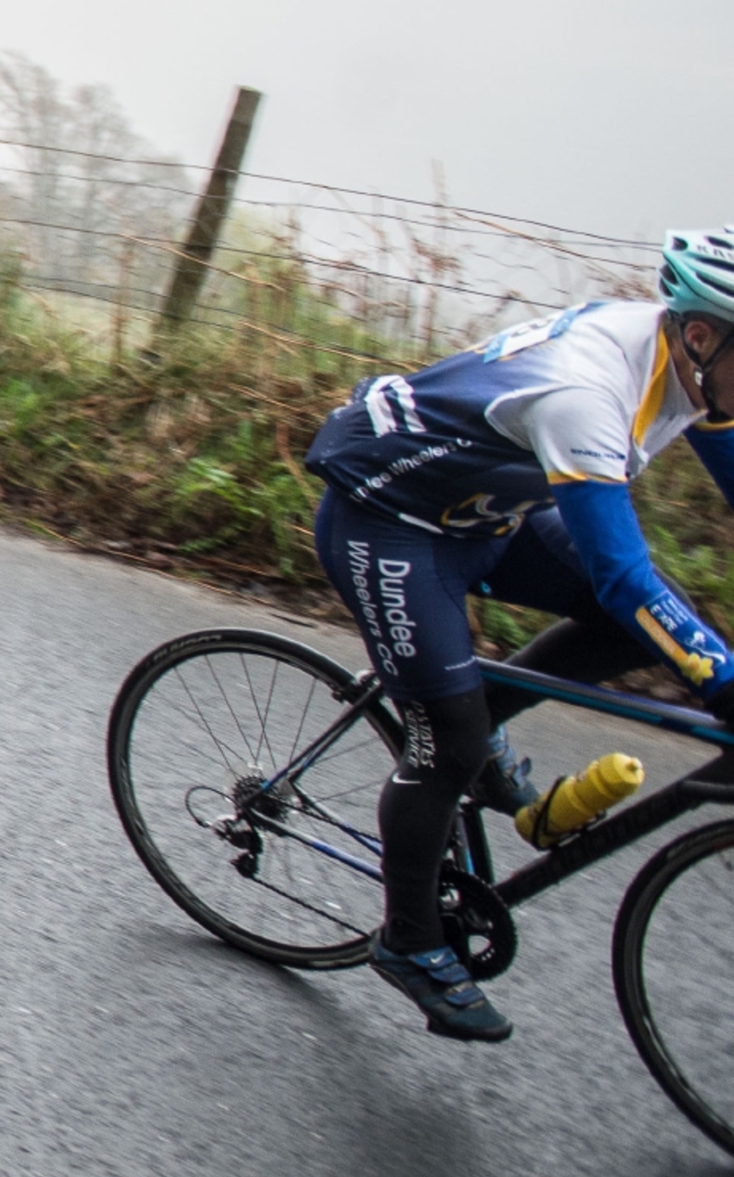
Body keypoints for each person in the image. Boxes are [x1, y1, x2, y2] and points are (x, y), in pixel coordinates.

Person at [303, 227, 734, 1043]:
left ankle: (479, 723)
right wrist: (724, 682)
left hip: (484, 510)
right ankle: (409, 938)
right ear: (702, 335)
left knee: (639, 629)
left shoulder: (697, 369)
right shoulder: (586, 394)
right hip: (388, 521)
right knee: (449, 738)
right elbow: (622, 575)